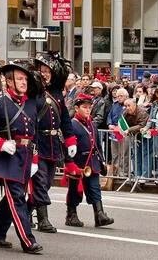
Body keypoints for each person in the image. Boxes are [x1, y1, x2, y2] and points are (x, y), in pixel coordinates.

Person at [0, 60, 43, 254]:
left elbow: (34, 135)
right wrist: (0, 143)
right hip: (8, 156)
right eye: (19, 79)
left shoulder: (30, 103)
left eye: (25, 79)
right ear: (8, 82)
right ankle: (27, 240)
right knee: (17, 199)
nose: (24, 82)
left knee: (11, 199)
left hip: (25, 156)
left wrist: (34, 159)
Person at [28, 52, 77, 234]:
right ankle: (43, 219)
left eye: (48, 71)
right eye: (42, 70)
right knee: (40, 182)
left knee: (47, 182)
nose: (45, 74)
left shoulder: (56, 92)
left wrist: (70, 139)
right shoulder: (33, 91)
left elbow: (64, 117)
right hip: (37, 140)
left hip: (52, 142)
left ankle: (25, 210)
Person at [64, 93, 114, 228]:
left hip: (92, 163)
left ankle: (100, 215)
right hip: (78, 163)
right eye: (84, 107)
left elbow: (97, 144)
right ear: (76, 108)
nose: (87, 110)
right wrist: (69, 163)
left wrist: (102, 161)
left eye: (89, 107)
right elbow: (67, 146)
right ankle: (71, 215)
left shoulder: (92, 124)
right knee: (75, 190)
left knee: (94, 188)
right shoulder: (71, 125)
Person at [121, 98, 148, 181]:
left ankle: (145, 175)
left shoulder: (142, 112)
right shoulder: (126, 112)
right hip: (134, 136)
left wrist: (129, 130)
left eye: (129, 106)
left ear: (134, 105)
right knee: (135, 155)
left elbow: (142, 125)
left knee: (145, 155)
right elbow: (122, 120)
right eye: (125, 106)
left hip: (145, 136)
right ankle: (137, 174)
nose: (127, 108)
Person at [107, 88, 128, 176]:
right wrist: (109, 124)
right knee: (115, 153)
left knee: (124, 153)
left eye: (121, 96)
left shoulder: (128, 105)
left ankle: (124, 172)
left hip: (124, 131)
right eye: (118, 96)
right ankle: (115, 171)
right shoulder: (114, 105)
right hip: (114, 132)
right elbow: (109, 116)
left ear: (126, 96)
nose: (119, 97)